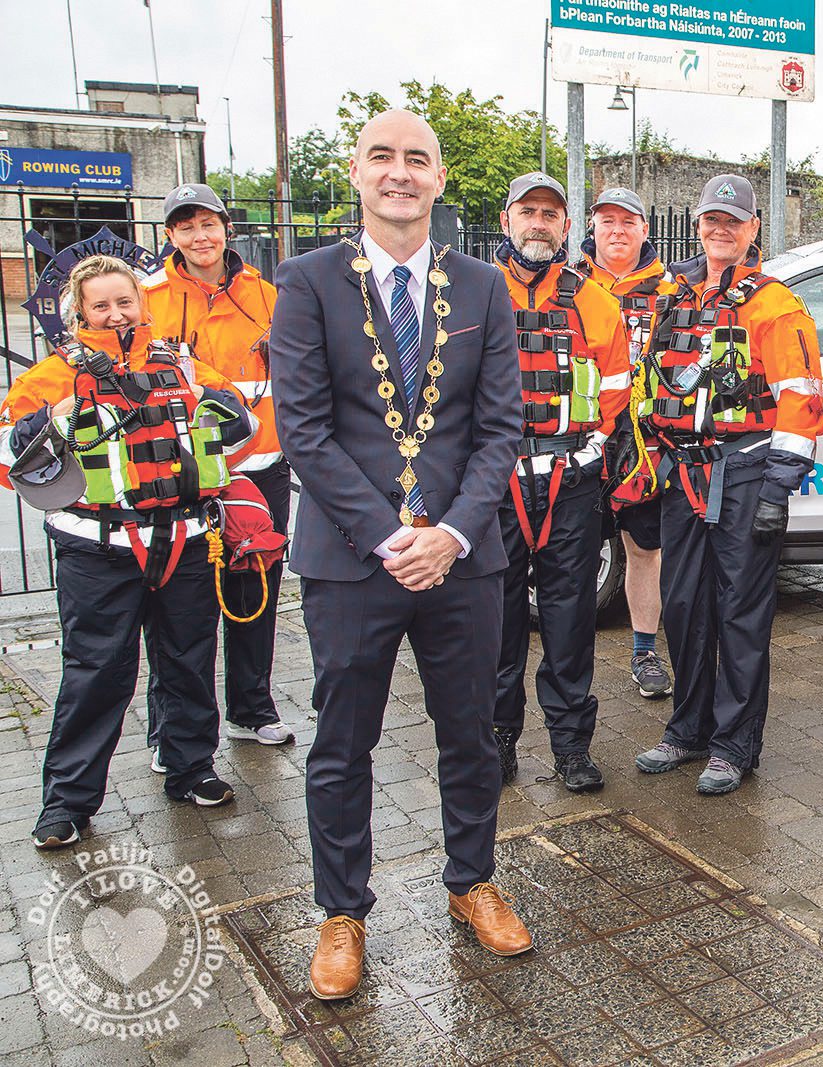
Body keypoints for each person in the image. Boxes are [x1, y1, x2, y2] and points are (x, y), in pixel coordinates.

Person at [272, 110, 532, 1000]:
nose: (399, 172)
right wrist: (391, 538)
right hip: (353, 561)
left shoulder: (483, 288)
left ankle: (472, 882)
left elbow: (501, 427)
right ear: (355, 171)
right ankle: (342, 913)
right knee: (343, 743)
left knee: (470, 731)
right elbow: (304, 430)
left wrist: (451, 533)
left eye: (416, 159)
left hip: (464, 557)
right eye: (382, 156)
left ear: (439, 178)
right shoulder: (306, 281)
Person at [0, 255, 257, 848]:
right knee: (95, 674)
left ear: (142, 304)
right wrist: (53, 418)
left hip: (186, 541)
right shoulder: (51, 375)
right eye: (101, 305)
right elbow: (14, 459)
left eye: (125, 301)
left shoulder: (180, 364)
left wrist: (203, 395)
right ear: (79, 313)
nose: (116, 313)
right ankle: (67, 801)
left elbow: (242, 432)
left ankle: (190, 768)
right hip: (99, 550)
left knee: (189, 661)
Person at [632, 173, 822, 796]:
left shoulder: (776, 306)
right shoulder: (674, 295)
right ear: (698, 225)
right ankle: (687, 728)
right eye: (713, 220)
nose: (722, 230)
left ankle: (735, 744)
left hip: (744, 472)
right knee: (684, 606)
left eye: (734, 222)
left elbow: (801, 403)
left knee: (740, 613)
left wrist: (777, 489)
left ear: (753, 230)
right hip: (683, 473)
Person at [143, 182, 294, 766]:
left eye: (209, 224)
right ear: (171, 236)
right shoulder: (149, 297)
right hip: (185, 477)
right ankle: (171, 729)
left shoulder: (267, 295)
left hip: (260, 466)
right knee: (180, 605)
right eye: (186, 227)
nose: (200, 236)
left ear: (226, 228)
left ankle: (251, 709)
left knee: (255, 585)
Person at [491, 172, 630, 791]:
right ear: (507, 220)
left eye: (551, 214)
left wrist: (591, 453)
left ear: (567, 227)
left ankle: (572, 745)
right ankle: (495, 741)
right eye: (529, 211)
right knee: (494, 621)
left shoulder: (596, 302)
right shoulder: (470, 293)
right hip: (493, 487)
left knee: (569, 618)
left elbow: (617, 390)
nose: (539, 222)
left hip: (570, 482)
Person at [576, 186, 676, 701]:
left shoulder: (672, 290)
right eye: (607, 221)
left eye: (627, 222)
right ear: (592, 227)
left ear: (644, 230)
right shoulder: (566, 284)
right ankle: (570, 660)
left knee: (644, 549)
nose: (617, 231)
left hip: (645, 442)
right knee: (570, 554)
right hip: (581, 440)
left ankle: (644, 652)